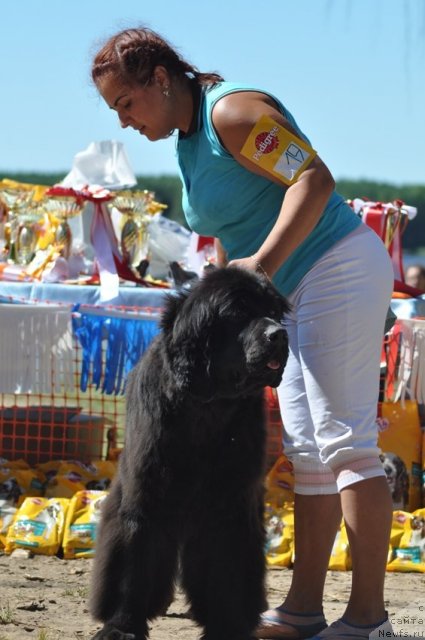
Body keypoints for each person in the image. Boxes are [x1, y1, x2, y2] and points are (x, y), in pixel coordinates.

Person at [91, 27, 395, 639]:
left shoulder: (231, 113)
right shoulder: (186, 141)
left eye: (125, 103)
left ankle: (368, 620)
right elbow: (235, 229)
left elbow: (314, 179)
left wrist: (259, 269)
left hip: (334, 267)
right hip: (286, 289)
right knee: (306, 449)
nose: (124, 121)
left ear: (158, 79)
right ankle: (304, 610)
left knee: (345, 442)